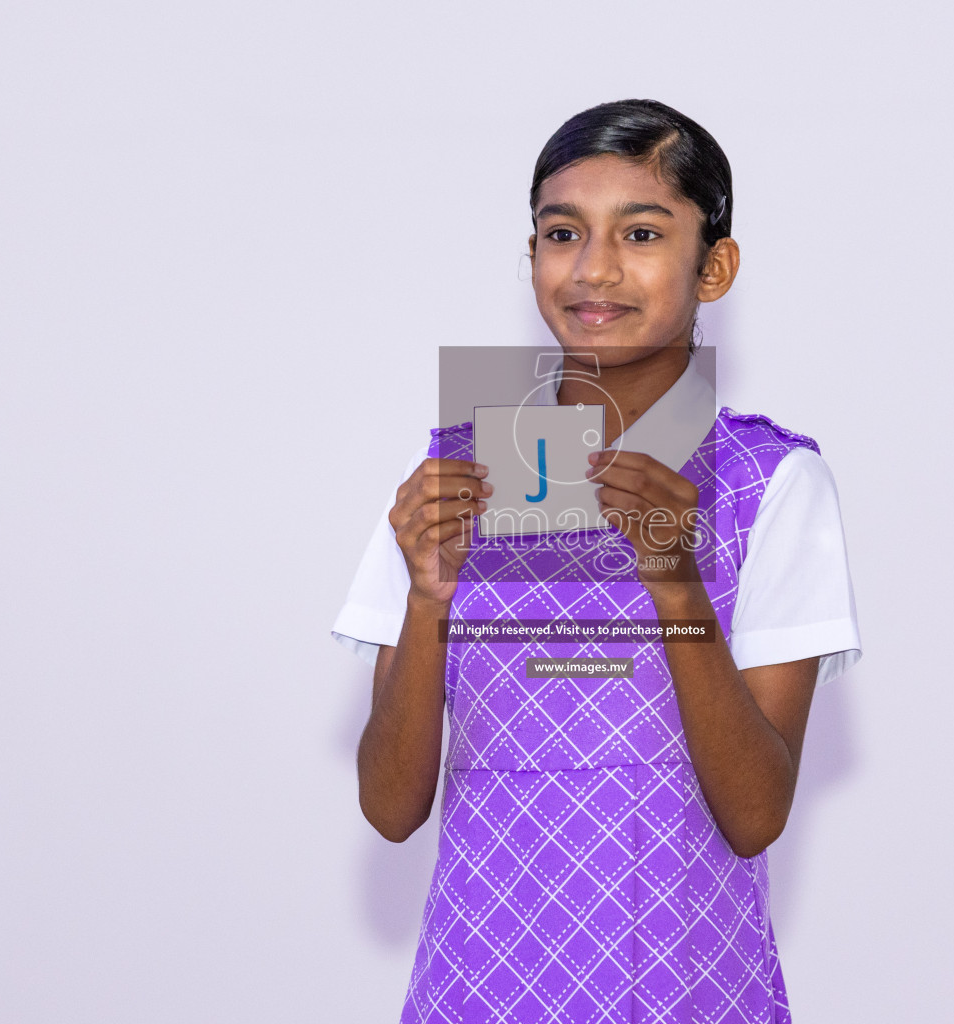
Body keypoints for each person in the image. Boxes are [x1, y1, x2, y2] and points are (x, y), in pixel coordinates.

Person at [332, 98, 862, 1024]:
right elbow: (389, 806)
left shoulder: (772, 483)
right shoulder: (452, 478)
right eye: (562, 231)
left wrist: (677, 584)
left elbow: (755, 814)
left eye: (644, 231)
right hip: (481, 979)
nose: (594, 268)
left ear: (717, 265)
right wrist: (426, 597)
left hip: (688, 981)